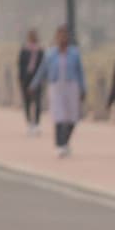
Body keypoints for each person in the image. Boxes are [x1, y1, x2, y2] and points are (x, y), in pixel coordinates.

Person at [29, 25, 85, 158]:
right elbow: (42, 71)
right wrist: (34, 84)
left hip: (71, 85)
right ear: (56, 37)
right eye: (60, 35)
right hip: (55, 86)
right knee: (58, 115)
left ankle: (66, 141)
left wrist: (83, 88)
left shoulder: (74, 53)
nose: (62, 38)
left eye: (65, 35)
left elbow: (80, 72)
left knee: (72, 117)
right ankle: (60, 144)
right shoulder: (50, 53)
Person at [18, 29, 45, 136]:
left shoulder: (40, 50)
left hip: (37, 78)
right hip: (26, 78)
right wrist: (20, 78)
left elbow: (43, 66)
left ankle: (37, 123)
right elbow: (20, 65)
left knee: (38, 101)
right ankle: (29, 122)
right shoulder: (24, 49)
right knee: (27, 102)